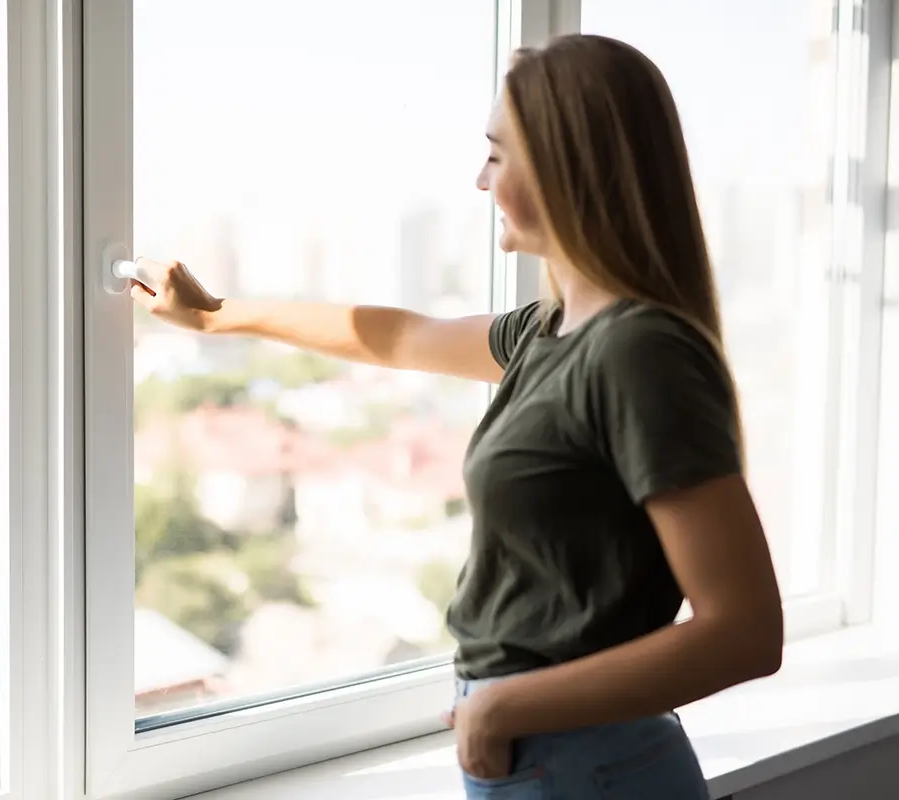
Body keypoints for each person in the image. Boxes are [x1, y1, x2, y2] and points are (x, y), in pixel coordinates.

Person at [128, 33, 783, 800]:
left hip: (587, 766)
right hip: (549, 757)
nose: (480, 181)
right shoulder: (550, 333)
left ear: (569, 167)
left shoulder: (640, 354)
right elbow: (400, 334)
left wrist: (506, 705)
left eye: (498, 156)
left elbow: (745, 631)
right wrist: (216, 318)